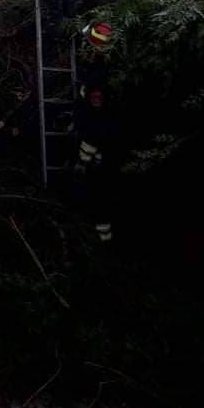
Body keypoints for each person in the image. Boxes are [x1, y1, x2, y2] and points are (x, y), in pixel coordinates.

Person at [74, 22, 120, 243]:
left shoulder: (97, 81)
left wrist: (84, 161)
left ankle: (103, 241)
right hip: (102, 153)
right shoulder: (99, 71)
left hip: (100, 158)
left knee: (99, 198)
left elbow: (94, 132)